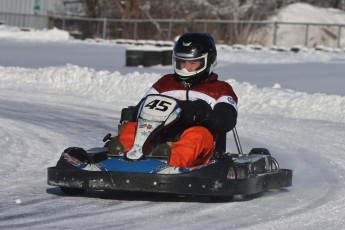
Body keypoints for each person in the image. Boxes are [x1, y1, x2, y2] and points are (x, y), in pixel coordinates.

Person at [112, 32, 238, 168]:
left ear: (208, 61)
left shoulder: (220, 89)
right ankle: (121, 163)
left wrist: (201, 112)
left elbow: (227, 119)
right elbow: (141, 109)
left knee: (198, 135)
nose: (185, 67)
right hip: (159, 138)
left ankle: (170, 166)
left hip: (199, 146)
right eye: (182, 62)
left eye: (192, 63)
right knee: (131, 128)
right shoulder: (165, 83)